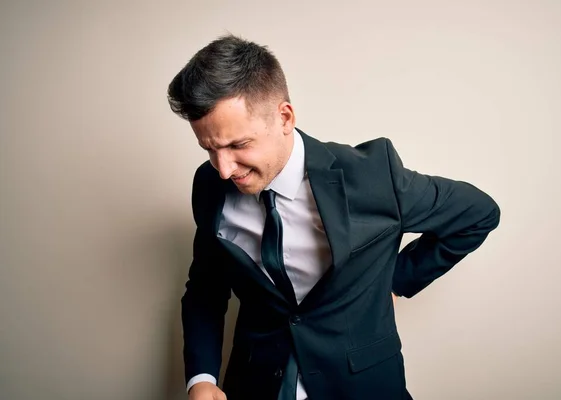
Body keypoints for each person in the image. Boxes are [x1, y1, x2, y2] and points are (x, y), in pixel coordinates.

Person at [167, 34, 500, 400]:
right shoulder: (209, 184)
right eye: (210, 149)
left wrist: (395, 281)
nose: (224, 168)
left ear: (285, 117)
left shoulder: (372, 177)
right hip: (256, 384)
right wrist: (202, 378)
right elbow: (205, 289)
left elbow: (478, 214)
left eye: (238, 145)